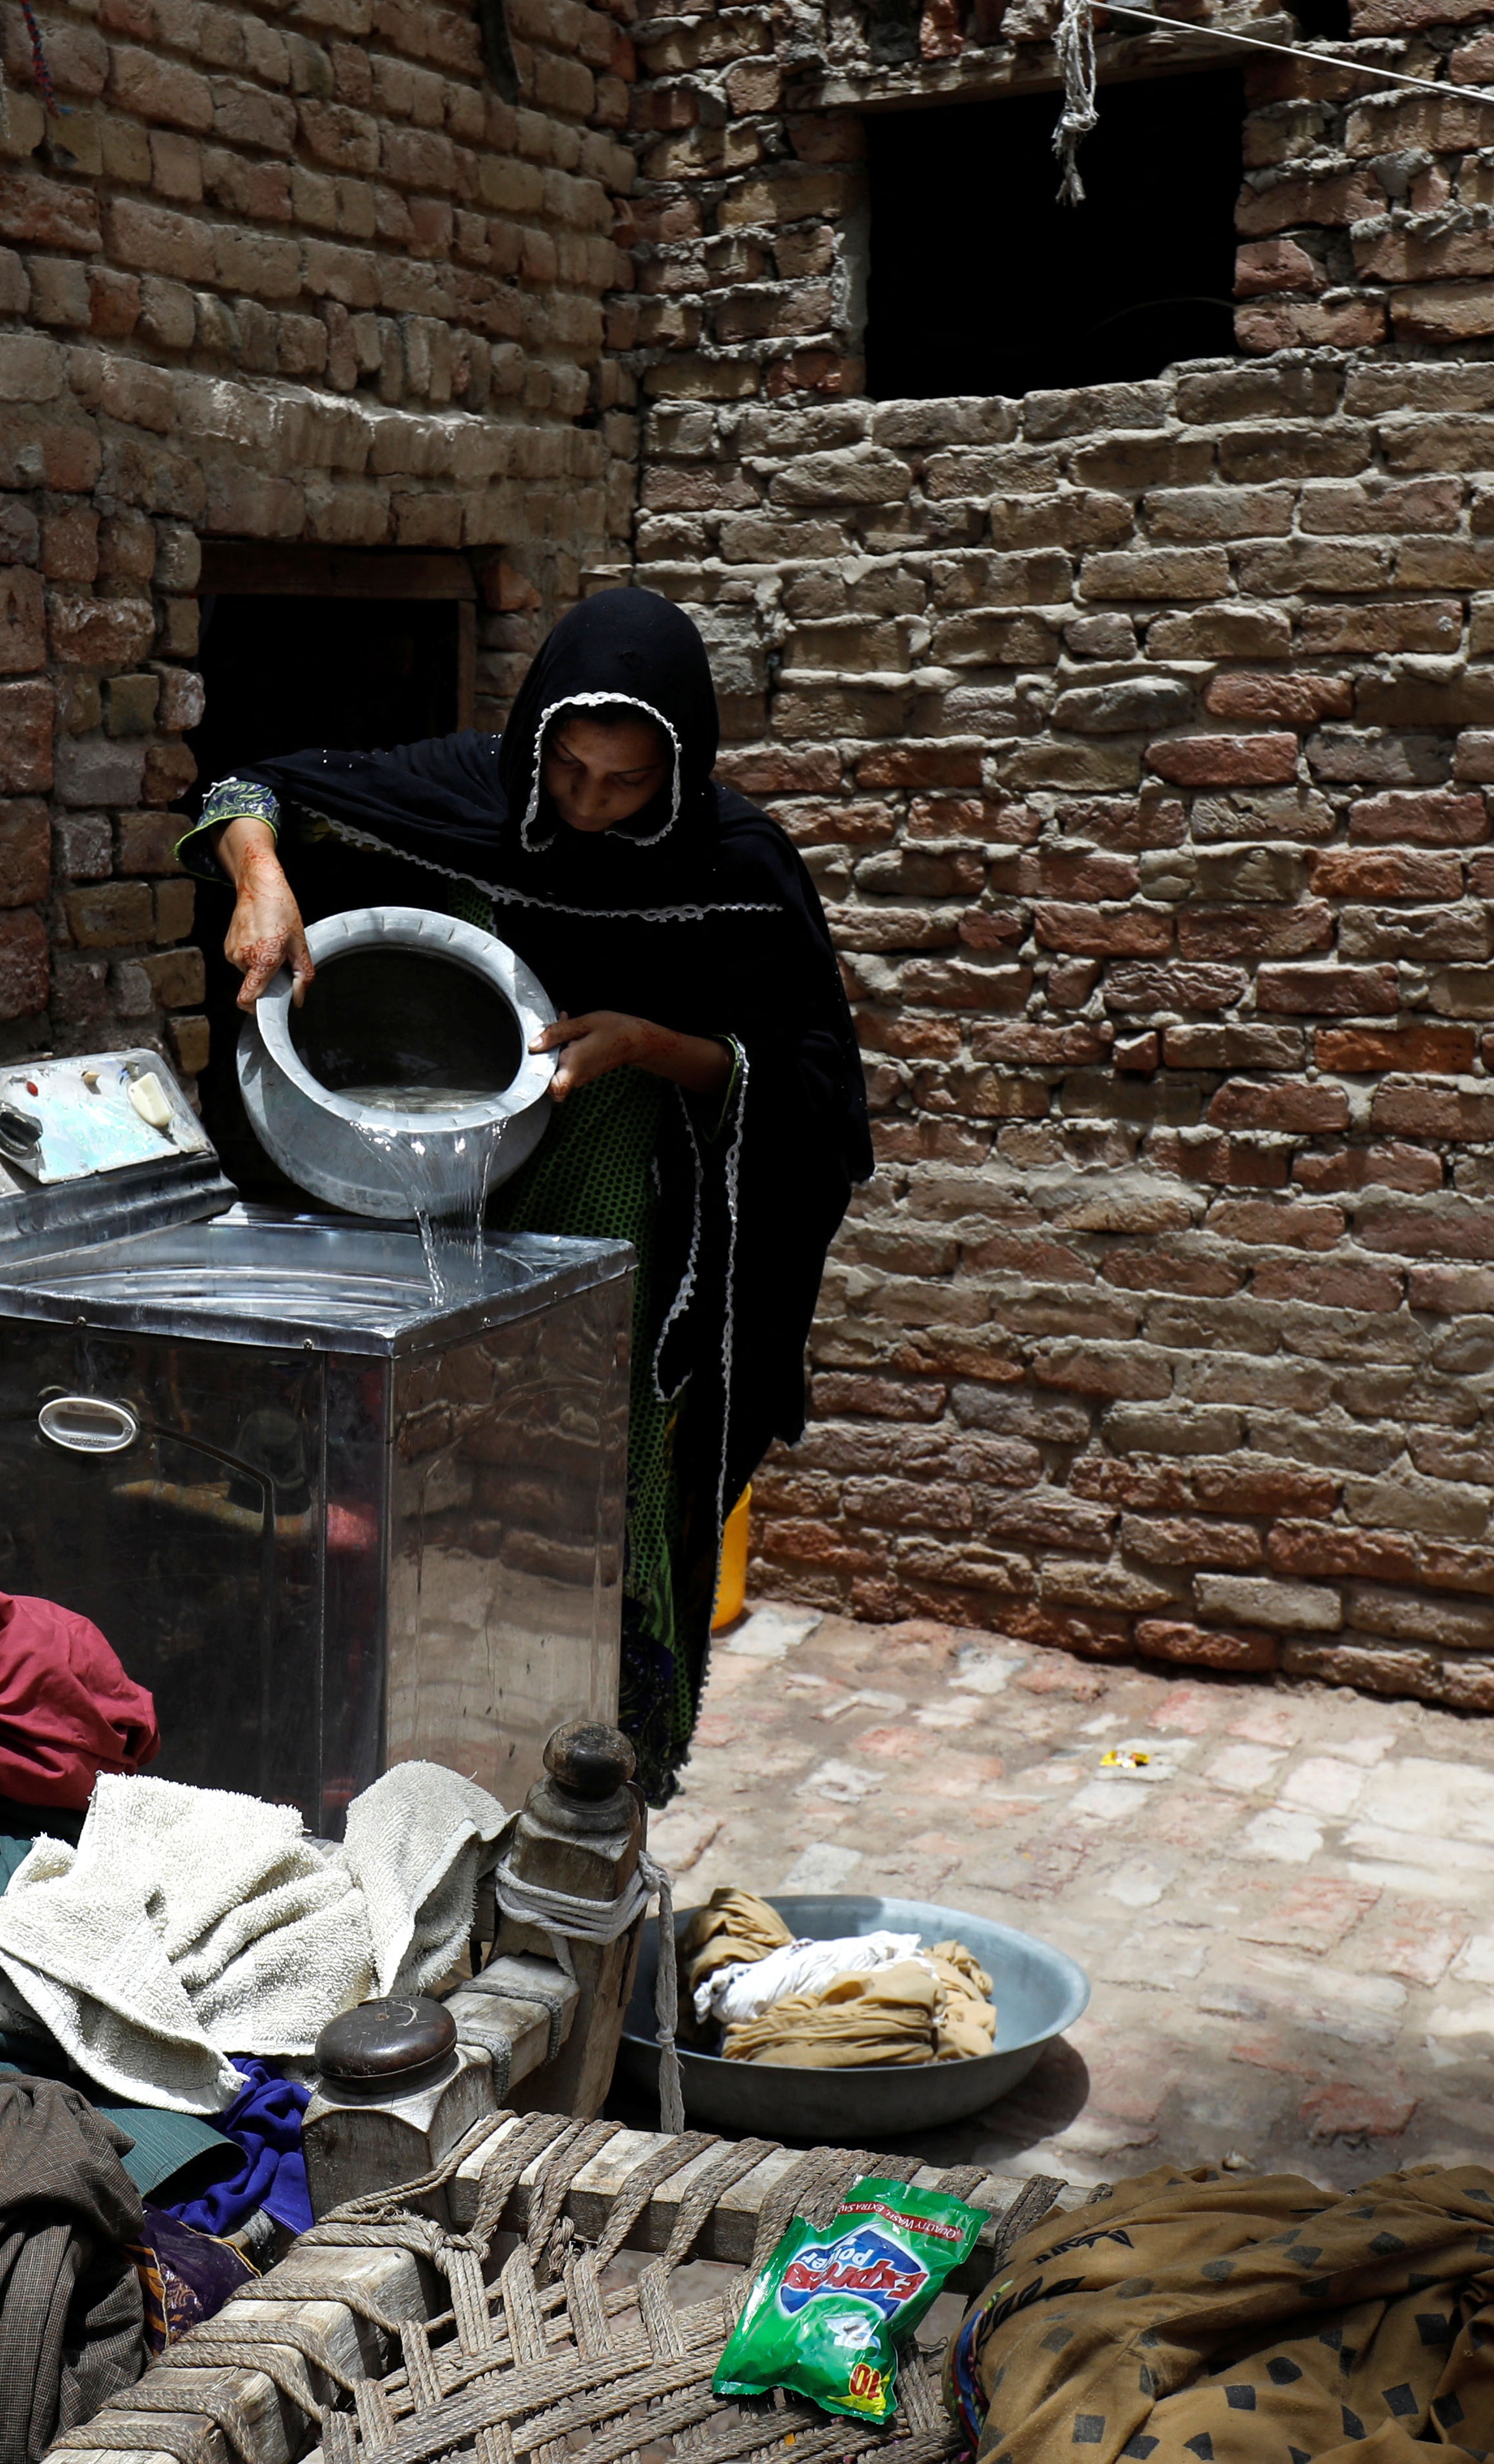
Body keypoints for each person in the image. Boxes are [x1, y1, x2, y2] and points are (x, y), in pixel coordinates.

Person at [180, 588, 872, 1800]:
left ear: (681, 764)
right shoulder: (478, 788)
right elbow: (252, 787)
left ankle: (589, 1755)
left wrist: (653, 1045)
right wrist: (260, 877)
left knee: (578, 1454)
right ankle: (409, 1726)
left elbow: (815, 1092)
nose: (589, 804)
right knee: (420, 1434)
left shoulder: (736, 864)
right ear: (534, 738)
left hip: (614, 1160)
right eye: (569, 769)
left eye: (625, 783)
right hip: (438, 1164)